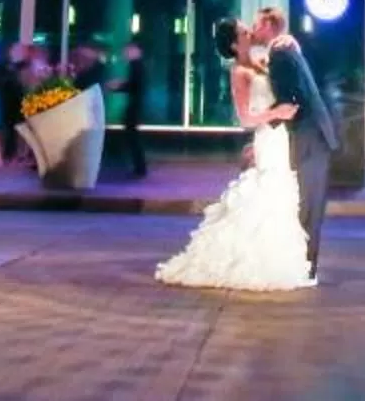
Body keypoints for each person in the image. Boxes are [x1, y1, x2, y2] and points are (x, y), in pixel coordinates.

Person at [155, 18, 310, 291]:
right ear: (234, 44)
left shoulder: (259, 64)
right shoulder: (240, 71)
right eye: (243, 31)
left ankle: (273, 258)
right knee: (267, 194)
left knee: (278, 194)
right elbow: (245, 119)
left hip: (279, 137)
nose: (250, 31)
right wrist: (277, 113)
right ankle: (253, 262)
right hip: (268, 136)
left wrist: (292, 43)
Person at [256, 7, 339, 285]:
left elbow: (292, 102)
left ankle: (304, 268)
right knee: (307, 205)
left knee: (308, 206)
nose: (255, 30)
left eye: (258, 24)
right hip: (312, 134)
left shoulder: (279, 54)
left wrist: (262, 122)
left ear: (269, 25)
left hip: (308, 136)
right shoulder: (286, 51)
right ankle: (302, 264)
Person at [110, 40, 150, 180]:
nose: (125, 53)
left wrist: (118, 86)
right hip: (135, 105)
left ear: (136, 51)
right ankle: (139, 167)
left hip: (134, 106)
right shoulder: (137, 65)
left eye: (128, 50)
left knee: (132, 136)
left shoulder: (136, 65)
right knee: (132, 136)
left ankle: (140, 168)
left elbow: (134, 85)